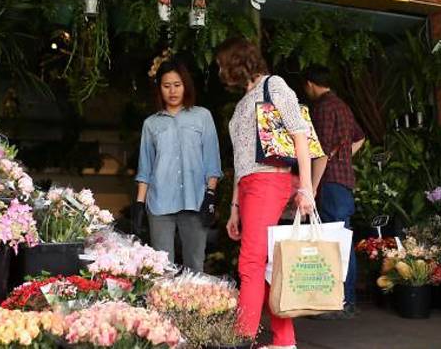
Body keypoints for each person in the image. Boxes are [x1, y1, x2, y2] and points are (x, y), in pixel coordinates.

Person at [216, 37, 316, 349]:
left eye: (222, 64)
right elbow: (240, 159)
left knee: (251, 262)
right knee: (267, 264)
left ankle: (241, 340)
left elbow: (300, 134)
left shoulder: (274, 85)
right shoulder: (243, 101)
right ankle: (284, 341)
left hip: (269, 181)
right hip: (248, 186)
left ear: (235, 62)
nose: (220, 70)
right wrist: (233, 206)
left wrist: (306, 188)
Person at [132, 59, 222, 272]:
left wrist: (210, 195)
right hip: (160, 203)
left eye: (177, 85)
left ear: (186, 86)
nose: (172, 91)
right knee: (162, 268)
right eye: (166, 86)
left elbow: (212, 162)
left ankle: (192, 306)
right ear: (159, 89)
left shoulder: (202, 117)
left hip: (195, 201)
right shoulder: (151, 124)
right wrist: (138, 204)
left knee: (195, 264)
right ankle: (163, 306)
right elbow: (145, 168)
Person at [304, 68, 365, 319]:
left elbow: (321, 150)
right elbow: (360, 138)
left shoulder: (322, 108)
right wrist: (344, 157)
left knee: (332, 242)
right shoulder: (343, 106)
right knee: (343, 239)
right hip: (345, 182)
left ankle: (337, 302)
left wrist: (312, 186)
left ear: (310, 84)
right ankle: (346, 300)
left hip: (329, 182)